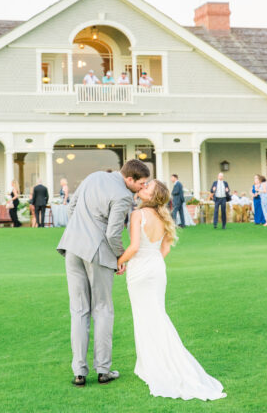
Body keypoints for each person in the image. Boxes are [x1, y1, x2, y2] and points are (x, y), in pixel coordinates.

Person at [117, 179, 226, 401]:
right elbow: (164, 248)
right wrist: (152, 261)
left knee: (146, 317)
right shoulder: (163, 216)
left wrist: (119, 262)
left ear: (151, 196)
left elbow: (134, 247)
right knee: (156, 315)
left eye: (147, 187)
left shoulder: (138, 215)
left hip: (140, 270)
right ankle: (149, 363)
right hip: (157, 268)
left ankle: (154, 365)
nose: (142, 188)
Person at [57, 159, 150, 387]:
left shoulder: (93, 176)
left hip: (72, 248)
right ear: (130, 179)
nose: (143, 188)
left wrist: (82, 230)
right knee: (103, 309)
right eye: (142, 183)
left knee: (78, 311)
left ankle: (79, 372)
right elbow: (112, 234)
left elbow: (71, 207)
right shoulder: (124, 196)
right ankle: (103, 370)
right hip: (98, 252)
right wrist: (120, 258)